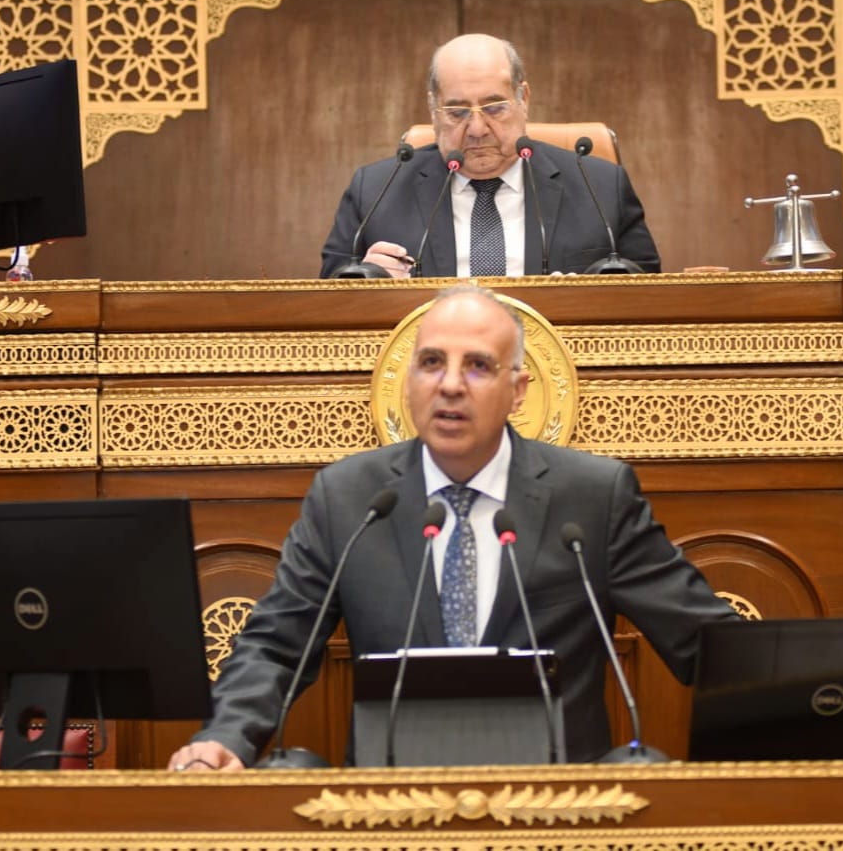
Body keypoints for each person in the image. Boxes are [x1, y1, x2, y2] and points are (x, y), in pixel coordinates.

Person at [169, 284, 737, 771]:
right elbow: (276, 646)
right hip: (389, 811)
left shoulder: (592, 496)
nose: (450, 385)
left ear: (518, 391)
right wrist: (226, 737)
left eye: (478, 366)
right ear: (409, 380)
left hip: (558, 811)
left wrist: (778, 698)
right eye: (432, 362)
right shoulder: (349, 498)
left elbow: (704, 643)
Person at [319, 34, 661, 279]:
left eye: (495, 107)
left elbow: (648, 292)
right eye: (457, 112)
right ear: (433, 109)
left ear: (523, 99)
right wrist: (366, 280)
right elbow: (330, 301)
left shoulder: (601, 188)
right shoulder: (375, 192)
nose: (477, 129)